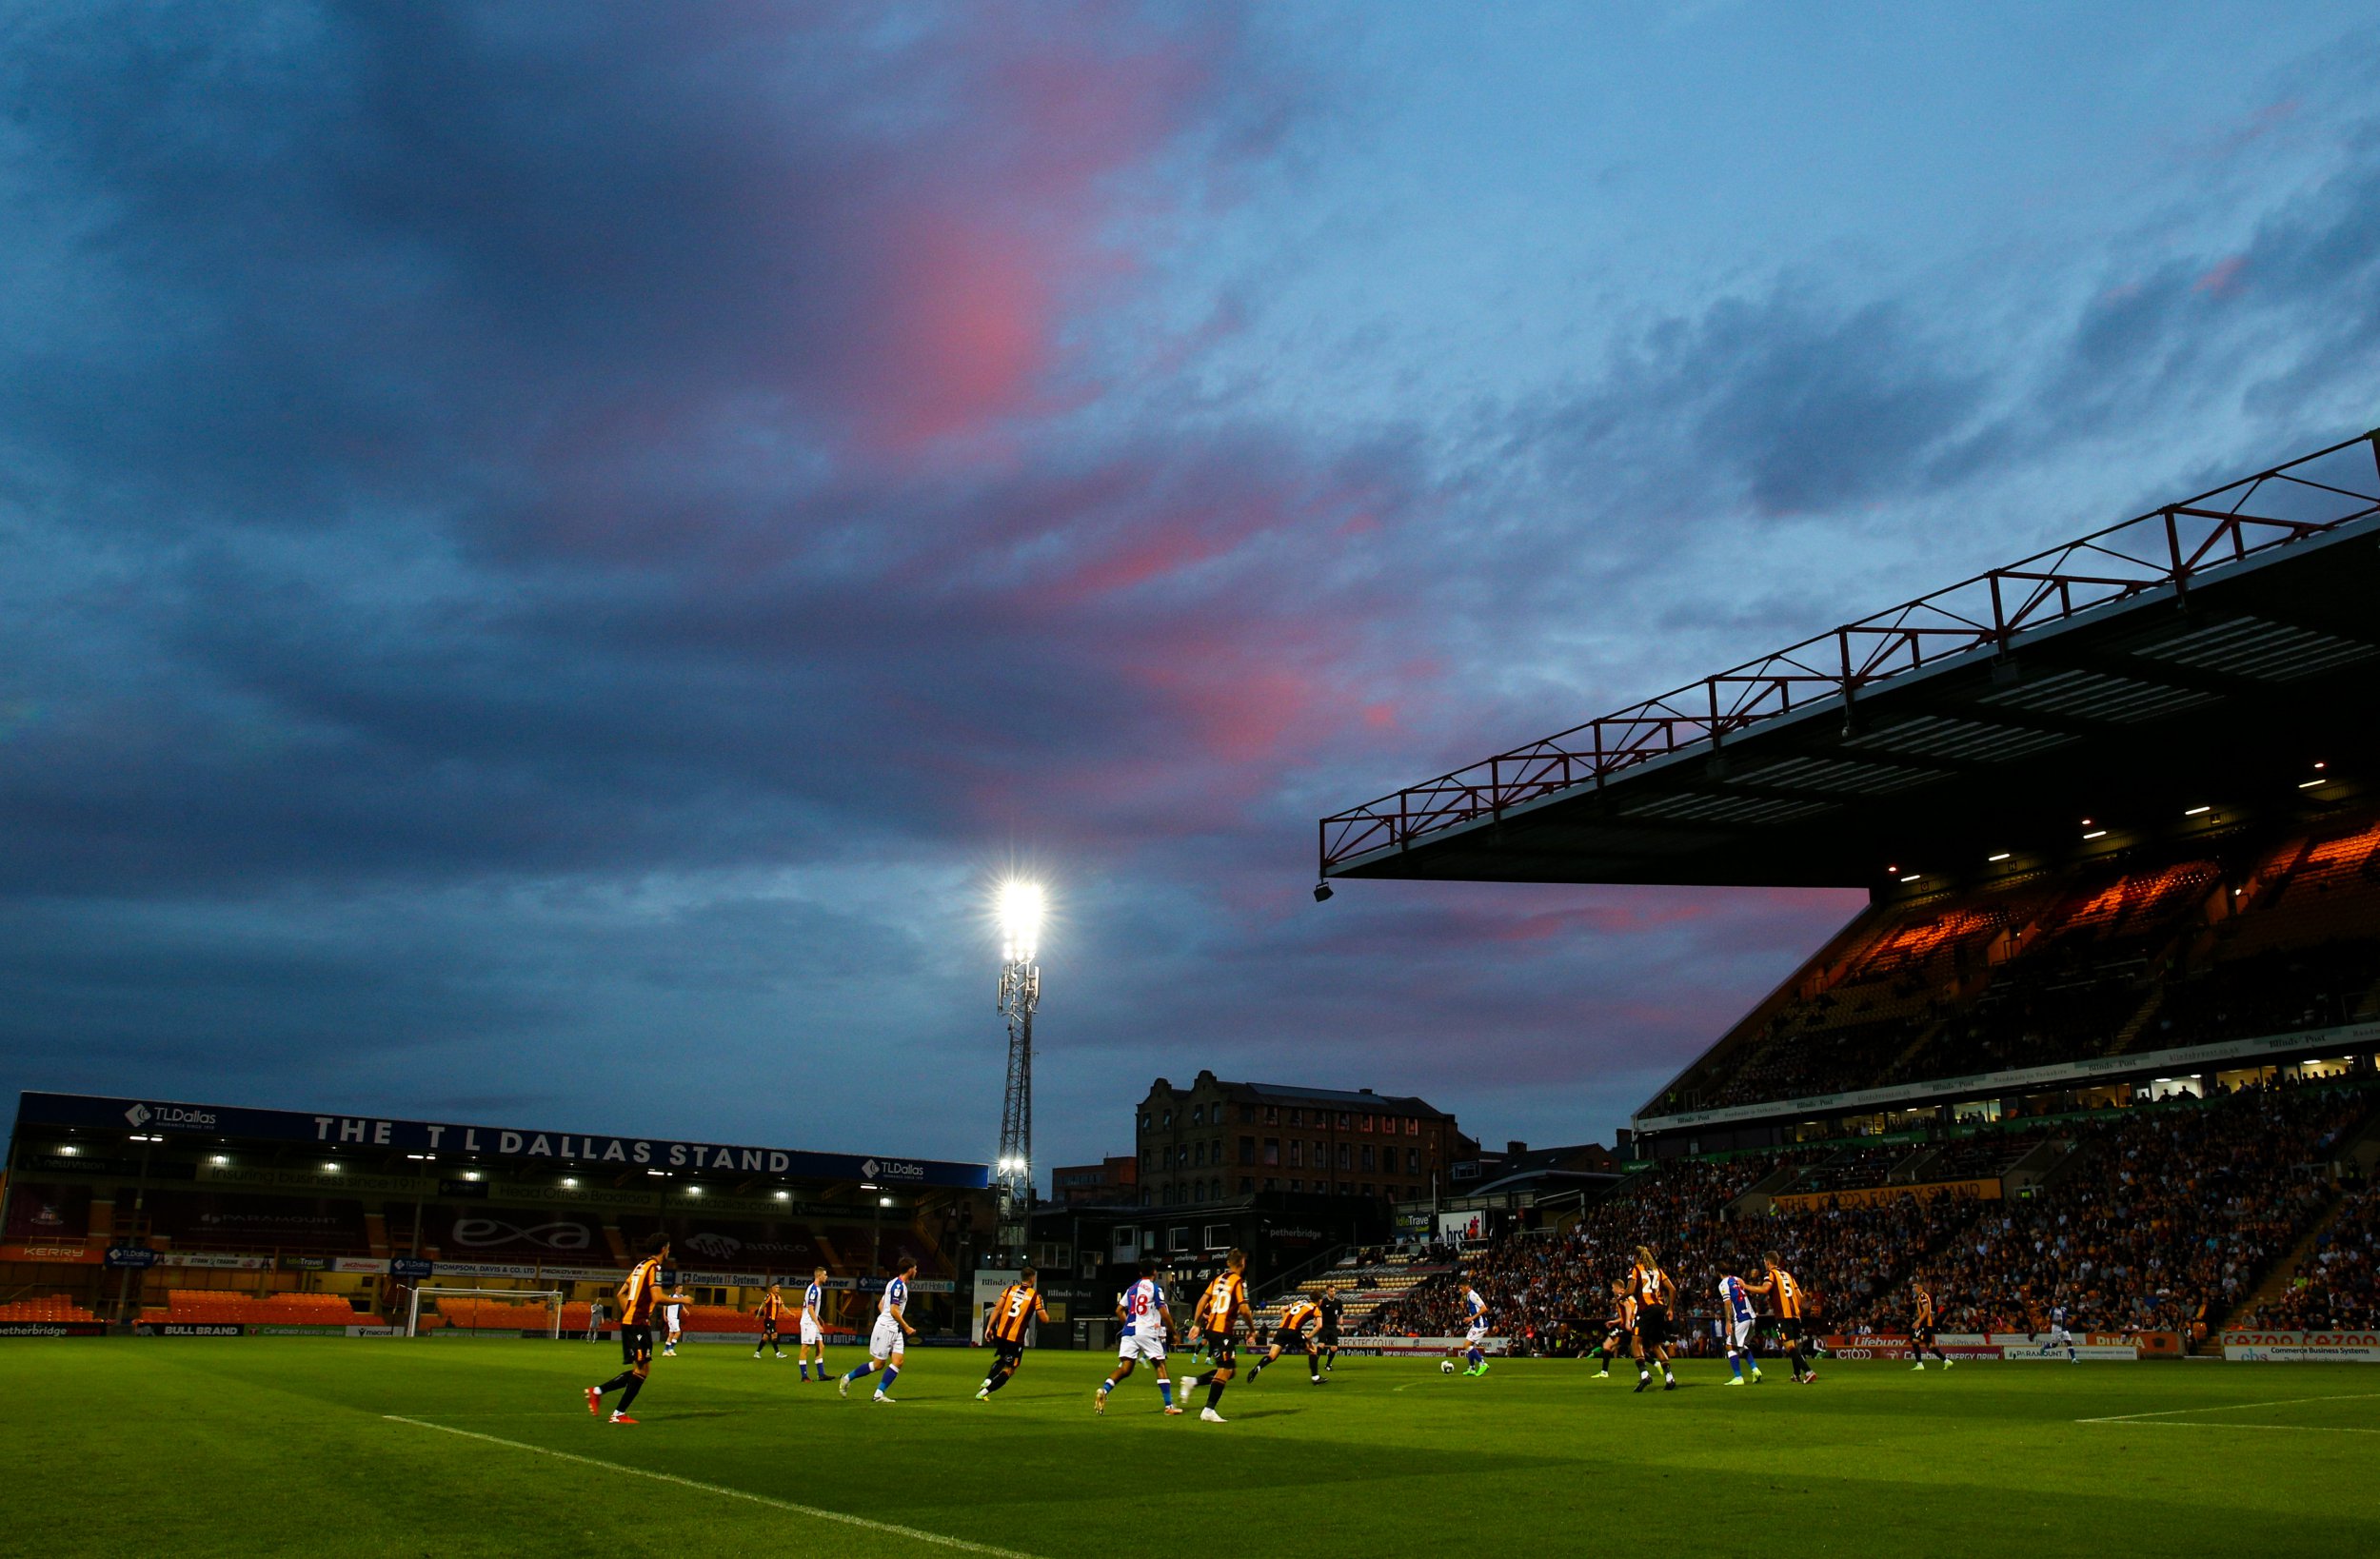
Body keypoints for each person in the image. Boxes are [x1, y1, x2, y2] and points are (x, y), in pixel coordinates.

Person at [585, 1234, 669, 1426]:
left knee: (641, 1368)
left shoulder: (640, 1266)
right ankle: (617, 1413)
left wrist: (629, 1312)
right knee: (642, 1369)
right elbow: (657, 1297)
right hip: (638, 1323)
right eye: (668, 1247)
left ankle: (597, 1393)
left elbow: (620, 1293)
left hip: (632, 1322)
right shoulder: (655, 1267)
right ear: (664, 1248)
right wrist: (682, 1300)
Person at [1095, 1257, 1182, 1415]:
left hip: (1129, 1332)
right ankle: (1169, 1406)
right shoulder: (1155, 1289)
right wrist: (1174, 1332)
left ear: (1140, 1272)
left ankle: (1104, 1390)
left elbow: (1119, 1310)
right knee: (1160, 1365)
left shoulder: (1131, 1289)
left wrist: (1128, 1324)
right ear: (1154, 1272)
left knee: (1126, 1368)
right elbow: (1164, 1313)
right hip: (1147, 1331)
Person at [1181, 1248, 1253, 1423]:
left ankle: (1194, 1382)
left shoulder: (1217, 1280)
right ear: (1242, 1263)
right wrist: (1252, 1328)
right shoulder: (1238, 1282)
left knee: (1231, 1370)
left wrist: (1197, 1324)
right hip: (1222, 1332)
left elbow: (1202, 1301)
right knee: (1225, 1370)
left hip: (1211, 1329)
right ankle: (1208, 1410)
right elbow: (1244, 1309)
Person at [840, 1258, 917, 1403]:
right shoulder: (898, 1286)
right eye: (915, 1268)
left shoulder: (893, 1283)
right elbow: (893, 1310)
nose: (916, 1271)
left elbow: (881, 1305)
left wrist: (888, 1319)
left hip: (894, 1328)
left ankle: (878, 1394)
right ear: (910, 1269)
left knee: (898, 1361)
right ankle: (847, 1378)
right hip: (887, 1328)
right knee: (878, 1364)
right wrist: (905, 1326)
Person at [979, 1265, 1049, 1401]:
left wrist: (989, 1327)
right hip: (1015, 1338)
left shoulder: (1009, 1290)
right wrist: (1044, 1309)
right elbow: (1044, 1319)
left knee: (1002, 1359)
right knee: (1011, 1368)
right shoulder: (1035, 1296)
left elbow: (997, 1309)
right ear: (1032, 1279)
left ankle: (988, 1379)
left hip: (1001, 1334)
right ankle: (984, 1392)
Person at [1743, 1251, 1814, 1385]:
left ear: (1767, 1262)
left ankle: (1809, 1372)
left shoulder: (1771, 1274)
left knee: (1789, 1347)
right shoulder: (1788, 1275)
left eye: (1764, 1262)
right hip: (1795, 1315)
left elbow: (1765, 1289)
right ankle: (1796, 1374)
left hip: (1783, 1314)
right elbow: (1800, 1298)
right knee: (1795, 1346)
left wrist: (1746, 1286)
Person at [1628, 1245, 1677, 1392]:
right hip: (1660, 1308)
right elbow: (1672, 1289)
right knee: (1656, 1344)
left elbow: (1631, 1290)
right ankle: (1669, 1378)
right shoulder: (1657, 1270)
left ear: (1636, 1256)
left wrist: (1620, 1297)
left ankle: (1644, 1375)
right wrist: (1670, 1308)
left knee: (1635, 1342)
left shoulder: (1637, 1269)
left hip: (1645, 1309)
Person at [1248, 1294, 1326, 1385]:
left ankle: (1257, 1367)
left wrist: (1286, 1323)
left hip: (1281, 1330)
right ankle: (1315, 1378)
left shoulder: (1300, 1302)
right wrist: (1309, 1336)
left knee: (1272, 1356)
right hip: (1293, 1332)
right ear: (1320, 1301)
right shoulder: (1315, 1308)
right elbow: (1319, 1325)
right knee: (1313, 1350)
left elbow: (1282, 1309)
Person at [1717, 1273, 1762, 1385]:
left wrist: (1728, 1321)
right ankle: (1755, 1370)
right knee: (1739, 1345)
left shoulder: (1723, 1283)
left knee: (1729, 1345)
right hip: (1751, 1317)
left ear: (1718, 1273)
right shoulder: (1737, 1279)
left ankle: (1738, 1377)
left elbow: (1727, 1303)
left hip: (1741, 1319)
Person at [1592, 1279, 1636, 1379]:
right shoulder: (1630, 1296)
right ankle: (1655, 1363)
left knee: (1607, 1345)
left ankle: (1604, 1372)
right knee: (1635, 1350)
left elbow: (1628, 1307)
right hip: (1633, 1324)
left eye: (1613, 1287)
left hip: (1626, 1326)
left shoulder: (1621, 1296)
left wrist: (1627, 1322)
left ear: (1618, 1288)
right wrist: (1615, 1322)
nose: (1612, 1290)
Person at [798, 1266, 832, 1382]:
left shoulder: (817, 1288)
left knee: (821, 1346)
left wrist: (819, 1318)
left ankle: (821, 1374)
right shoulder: (813, 1289)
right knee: (805, 1348)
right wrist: (818, 1324)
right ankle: (804, 1376)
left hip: (813, 1321)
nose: (826, 1277)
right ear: (819, 1275)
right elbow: (810, 1308)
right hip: (809, 1323)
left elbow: (812, 1308)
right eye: (825, 1275)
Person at [1910, 1276, 1951, 1371]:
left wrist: (1918, 1321)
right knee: (1929, 1345)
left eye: (1914, 1286)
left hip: (1924, 1324)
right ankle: (1946, 1361)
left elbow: (1926, 1310)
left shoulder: (1922, 1296)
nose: (1913, 1289)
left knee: (1915, 1341)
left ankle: (1920, 1364)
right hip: (1926, 1324)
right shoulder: (1922, 1296)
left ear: (1919, 1286)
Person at [1458, 1278, 1490, 1376]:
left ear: (1467, 1287)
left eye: (1461, 1288)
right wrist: (1472, 1320)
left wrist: (1472, 1318)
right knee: (1469, 1346)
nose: (1460, 1290)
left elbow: (1484, 1308)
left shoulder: (1473, 1295)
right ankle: (1471, 1368)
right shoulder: (1468, 1296)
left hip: (1480, 1325)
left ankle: (1483, 1364)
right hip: (1476, 1324)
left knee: (1466, 1345)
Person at [754, 1283, 788, 1359]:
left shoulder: (779, 1297)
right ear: (772, 1288)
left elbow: (784, 1307)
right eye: (776, 1287)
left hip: (773, 1320)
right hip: (768, 1319)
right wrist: (758, 1314)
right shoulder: (769, 1296)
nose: (778, 1288)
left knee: (766, 1337)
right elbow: (763, 1305)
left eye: (779, 1287)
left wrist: (790, 1313)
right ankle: (778, 1353)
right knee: (774, 1334)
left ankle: (757, 1353)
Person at [2041, 1295, 2077, 1362]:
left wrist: (2071, 1319)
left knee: (2069, 1342)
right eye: (2056, 1301)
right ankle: (2044, 1348)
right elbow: (2048, 1318)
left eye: (2059, 1301)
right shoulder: (2053, 1310)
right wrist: (2056, 1321)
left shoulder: (2064, 1309)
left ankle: (2074, 1359)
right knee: (2054, 1344)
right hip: (2056, 1329)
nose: (2058, 1302)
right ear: (2054, 1302)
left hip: (2064, 1328)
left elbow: (2069, 1316)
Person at [1317, 1290, 1345, 1373]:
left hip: (1333, 1327)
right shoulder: (1323, 1302)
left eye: (1334, 1291)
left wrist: (1341, 1325)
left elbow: (1340, 1314)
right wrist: (1317, 1321)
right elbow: (1317, 1312)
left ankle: (1328, 1364)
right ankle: (1315, 1363)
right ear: (1327, 1292)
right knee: (1321, 1345)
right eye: (1331, 1291)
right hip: (1324, 1326)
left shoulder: (1338, 1302)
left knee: (1334, 1348)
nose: (1333, 1292)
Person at [661, 1289, 687, 1357]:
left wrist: (685, 1310)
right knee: (678, 1332)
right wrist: (664, 1314)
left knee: (671, 1334)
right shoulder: (671, 1296)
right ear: (676, 1289)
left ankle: (665, 1351)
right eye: (680, 1288)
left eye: (682, 1288)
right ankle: (671, 1349)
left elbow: (681, 1305)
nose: (681, 1289)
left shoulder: (681, 1296)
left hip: (676, 1318)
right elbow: (665, 1304)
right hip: (671, 1317)